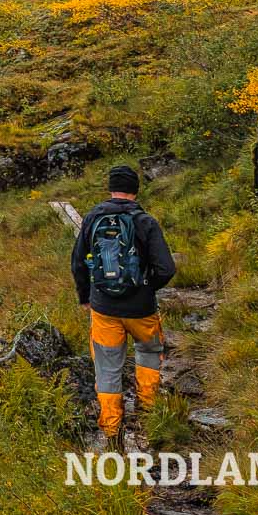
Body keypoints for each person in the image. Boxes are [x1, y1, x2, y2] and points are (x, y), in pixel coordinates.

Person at [72, 163, 177, 443]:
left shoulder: (93, 218)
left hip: (104, 309)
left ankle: (111, 430)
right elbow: (166, 268)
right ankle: (147, 412)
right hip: (141, 309)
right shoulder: (145, 222)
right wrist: (146, 288)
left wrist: (86, 297)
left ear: (111, 188)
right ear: (135, 190)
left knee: (107, 367)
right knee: (149, 353)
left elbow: (78, 263)